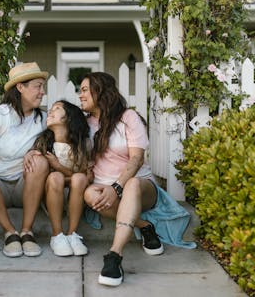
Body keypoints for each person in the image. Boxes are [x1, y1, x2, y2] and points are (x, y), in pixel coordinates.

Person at [79, 72, 196, 286]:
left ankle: (114, 256)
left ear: (101, 91)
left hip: (140, 186)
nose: (81, 95)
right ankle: (145, 226)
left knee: (131, 184)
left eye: (85, 90)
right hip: (104, 188)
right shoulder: (85, 124)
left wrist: (117, 186)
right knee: (88, 194)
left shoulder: (128, 118)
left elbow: (136, 159)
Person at [0, 62, 50, 258]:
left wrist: (37, 150)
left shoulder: (44, 119)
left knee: (40, 162)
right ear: (20, 87)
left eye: (42, 87)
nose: (42, 92)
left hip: (26, 186)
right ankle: (10, 232)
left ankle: (27, 231)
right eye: (37, 86)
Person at [31, 100, 91, 256]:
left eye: (57, 109)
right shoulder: (44, 143)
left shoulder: (82, 145)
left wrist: (58, 166)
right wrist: (58, 171)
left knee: (79, 178)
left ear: (69, 118)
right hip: (51, 194)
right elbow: (43, 177)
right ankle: (57, 235)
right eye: (51, 109)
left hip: (75, 194)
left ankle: (72, 234)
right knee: (56, 177)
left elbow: (86, 176)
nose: (50, 111)